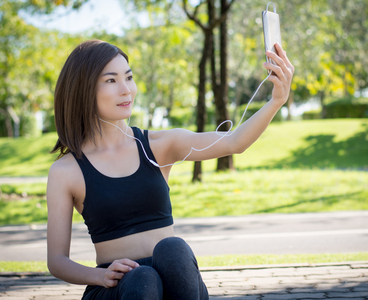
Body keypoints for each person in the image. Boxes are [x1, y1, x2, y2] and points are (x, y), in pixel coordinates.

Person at [46, 39, 294, 300]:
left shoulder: (159, 146)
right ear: (83, 90)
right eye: (111, 80)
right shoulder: (67, 171)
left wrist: (276, 100)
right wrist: (101, 276)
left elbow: (235, 142)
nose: (126, 89)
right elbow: (57, 261)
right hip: (116, 288)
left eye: (129, 77)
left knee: (173, 249)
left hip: (176, 282)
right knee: (142, 277)